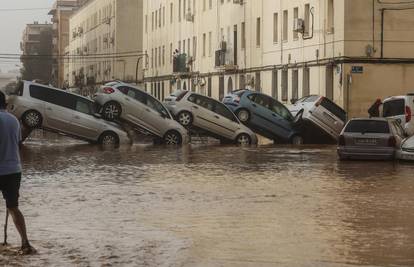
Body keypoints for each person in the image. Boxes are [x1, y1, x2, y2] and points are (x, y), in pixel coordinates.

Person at [0, 91, 36, 255]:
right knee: (13, 207)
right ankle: (25, 243)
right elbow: (18, 143)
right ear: (5, 104)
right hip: (13, 170)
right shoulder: (14, 120)